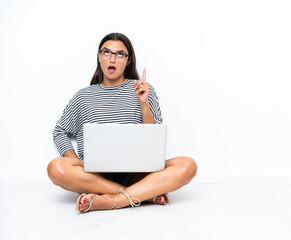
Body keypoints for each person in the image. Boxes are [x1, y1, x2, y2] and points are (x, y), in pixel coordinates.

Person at [47, 33, 197, 213]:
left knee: (188, 165)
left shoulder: (142, 88)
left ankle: (112, 201)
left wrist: (143, 103)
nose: (112, 59)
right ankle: (144, 195)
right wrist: (79, 164)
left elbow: (153, 138)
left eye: (120, 54)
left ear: (128, 60)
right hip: (95, 175)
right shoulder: (83, 97)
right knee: (56, 168)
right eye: (107, 52)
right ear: (99, 56)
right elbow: (59, 131)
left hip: (139, 173)